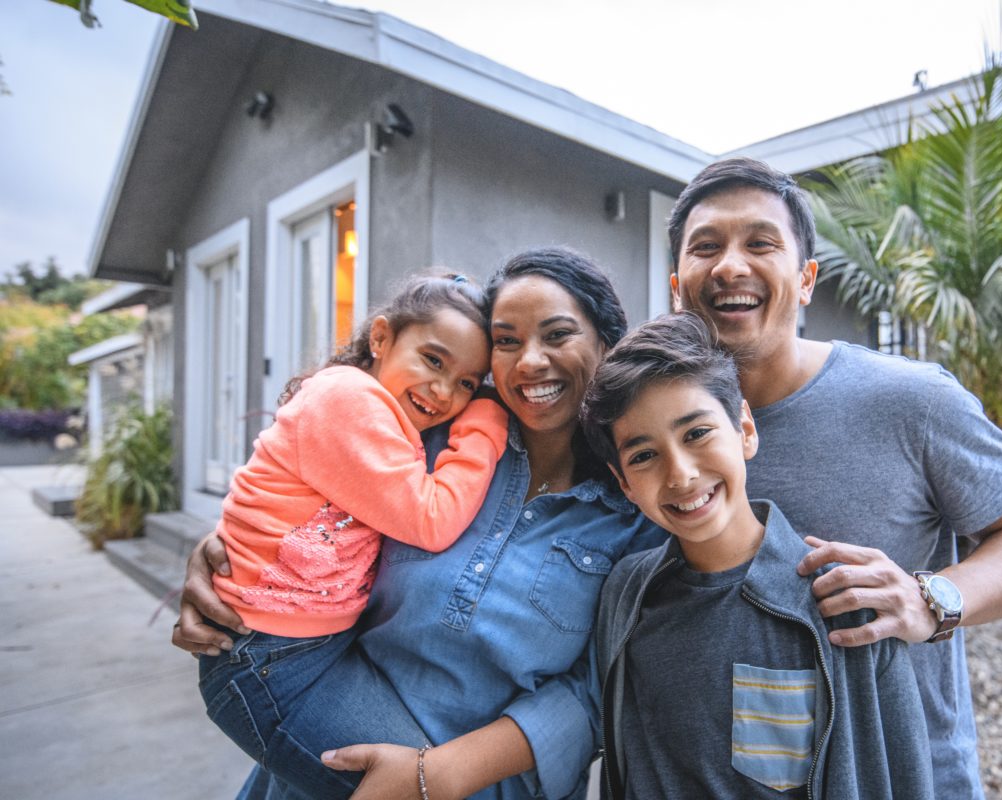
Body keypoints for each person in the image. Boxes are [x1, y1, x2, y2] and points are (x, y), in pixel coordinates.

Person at [173, 247, 666, 800]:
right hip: (315, 757)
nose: (529, 361)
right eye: (506, 340)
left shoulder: (636, 509)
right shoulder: (427, 445)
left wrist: (442, 774)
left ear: (605, 343)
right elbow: (302, 506)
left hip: (492, 787)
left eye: (557, 335)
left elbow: (602, 689)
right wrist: (224, 555)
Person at [667, 157, 1002, 798]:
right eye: (707, 247)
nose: (729, 266)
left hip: (900, 776)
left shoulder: (909, 400)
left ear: (806, 280)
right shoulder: (655, 434)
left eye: (760, 243)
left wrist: (931, 598)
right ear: (678, 285)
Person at [581, 312, 935, 799]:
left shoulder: (846, 598)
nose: (680, 475)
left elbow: (901, 775)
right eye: (644, 455)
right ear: (623, 483)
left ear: (745, 429)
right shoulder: (626, 596)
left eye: (696, 433)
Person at [196, 273, 509, 791]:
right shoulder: (348, 400)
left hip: (308, 650)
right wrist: (485, 421)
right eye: (433, 360)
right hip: (266, 659)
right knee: (413, 788)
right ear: (381, 339)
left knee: (420, 775)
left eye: (467, 384)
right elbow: (430, 517)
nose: (443, 390)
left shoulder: (383, 411)